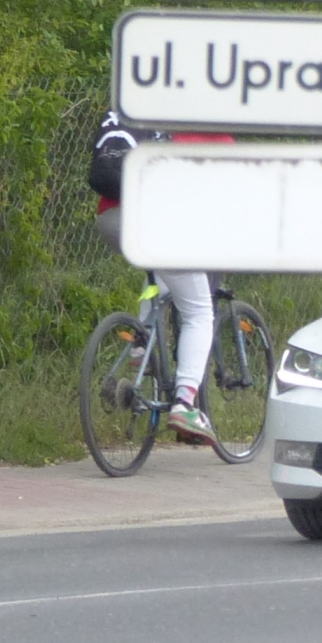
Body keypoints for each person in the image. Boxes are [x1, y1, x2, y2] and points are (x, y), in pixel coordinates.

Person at [89, 111, 226, 444]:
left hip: (112, 219)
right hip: (157, 222)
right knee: (198, 311)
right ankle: (185, 404)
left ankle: (141, 349)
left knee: (165, 275)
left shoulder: (136, 113)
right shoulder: (209, 126)